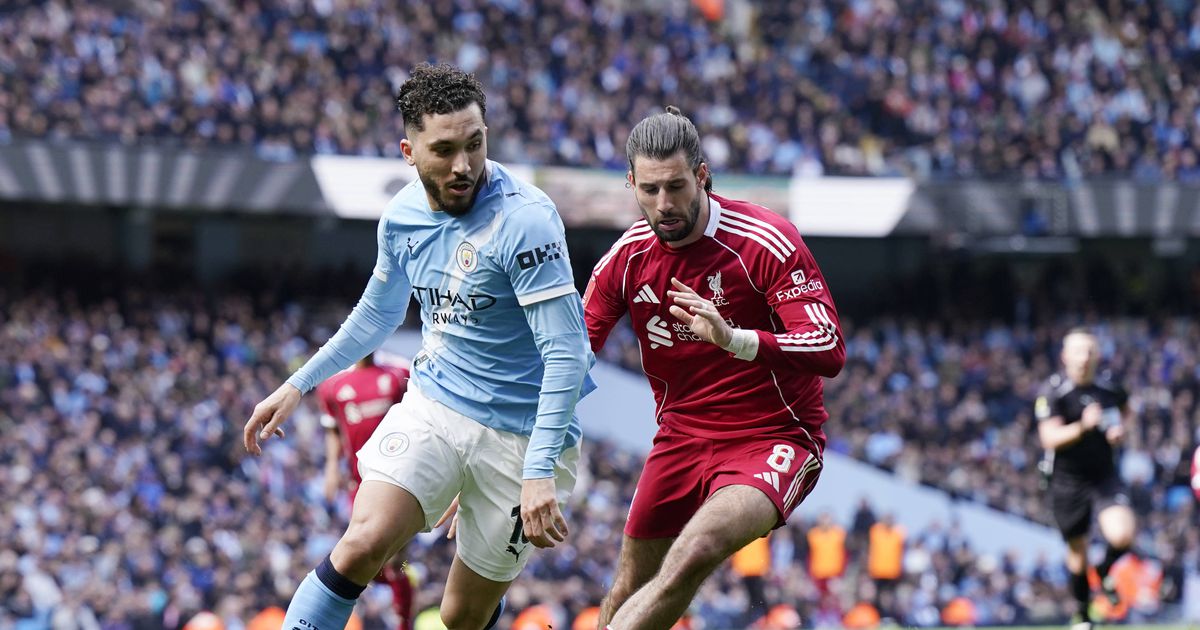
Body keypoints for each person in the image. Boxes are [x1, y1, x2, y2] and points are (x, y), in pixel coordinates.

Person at [242, 62, 595, 630]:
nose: (463, 165)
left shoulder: (526, 220)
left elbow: (567, 354)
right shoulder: (401, 218)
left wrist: (538, 469)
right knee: (364, 542)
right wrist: (297, 384)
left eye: (475, 144)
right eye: (444, 150)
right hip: (438, 406)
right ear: (409, 152)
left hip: (521, 434)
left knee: (461, 616)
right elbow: (376, 315)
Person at [584, 106, 845, 630]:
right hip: (679, 439)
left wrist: (735, 340)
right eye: (650, 189)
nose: (664, 204)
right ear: (631, 183)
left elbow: (828, 347)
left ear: (702, 175)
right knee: (629, 586)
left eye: (676, 186)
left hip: (772, 437)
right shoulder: (626, 258)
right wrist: (517, 456)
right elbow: (568, 357)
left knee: (696, 549)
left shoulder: (766, 240)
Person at [1034, 328, 1136, 630]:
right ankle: (1083, 614)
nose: (1084, 357)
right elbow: (1049, 438)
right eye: (1078, 351)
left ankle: (1103, 569)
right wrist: (1083, 426)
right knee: (1077, 552)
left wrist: (1120, 430)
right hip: (1067, 481)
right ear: (1065, 356)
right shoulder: (1053, 392)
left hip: (1104, 476)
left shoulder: (1110, 387)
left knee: (1122, 535)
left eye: (1090, 351)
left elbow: (1127, 413)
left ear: (1097, 355)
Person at [316, 353, 414, 630]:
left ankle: (404, 620)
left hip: (397, 477)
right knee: (365, 558)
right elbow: (332, 429)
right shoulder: (333, 385)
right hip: (359, 482)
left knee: (396, 559)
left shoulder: (399, 372)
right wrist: (331, 467)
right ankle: (394, 591)